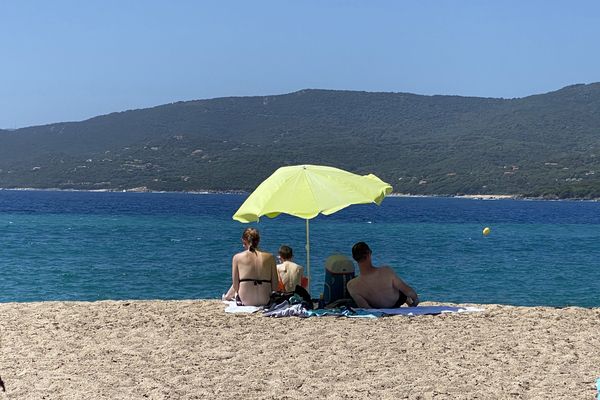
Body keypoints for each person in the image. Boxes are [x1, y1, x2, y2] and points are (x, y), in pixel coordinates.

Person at [346, 241, 419, 308]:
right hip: (395, 303)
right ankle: (407, 300)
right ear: (369, 254)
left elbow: (365, 308)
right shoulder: (386, 271)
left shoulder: (352, 285)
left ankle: (407, 300)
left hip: (377, 307)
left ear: (354, 258)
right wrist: (415, 299)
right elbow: (406, 290)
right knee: (398, 287)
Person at [225, 228, 277, 306]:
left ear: (245, 241)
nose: (243, 245)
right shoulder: (271, 257)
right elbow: (275, 286)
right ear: (258, 241)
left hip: (245, 300)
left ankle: (226, 297)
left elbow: (235, 286)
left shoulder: (237, 257)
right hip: (265, 300)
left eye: (243, 243)